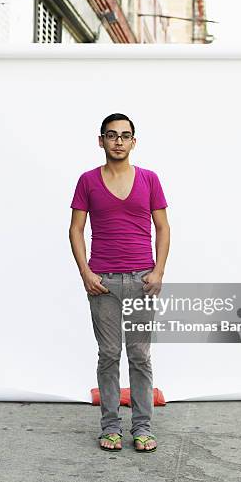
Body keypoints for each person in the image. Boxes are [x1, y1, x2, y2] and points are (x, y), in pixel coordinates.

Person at [69, 113, 170, 453]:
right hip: (104, 283)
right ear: (101, 140)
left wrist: (158, 272)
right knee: (109, 354)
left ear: (133, 142)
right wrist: (86, 272)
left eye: (125, 136)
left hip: (142, 280)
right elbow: (76, 229)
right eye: (111, 135)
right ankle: (110, 427)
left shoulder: (150, 179)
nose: (118, 141)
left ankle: (142, 427)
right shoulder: (87, 181)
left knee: (140, 355)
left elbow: (164, 227)